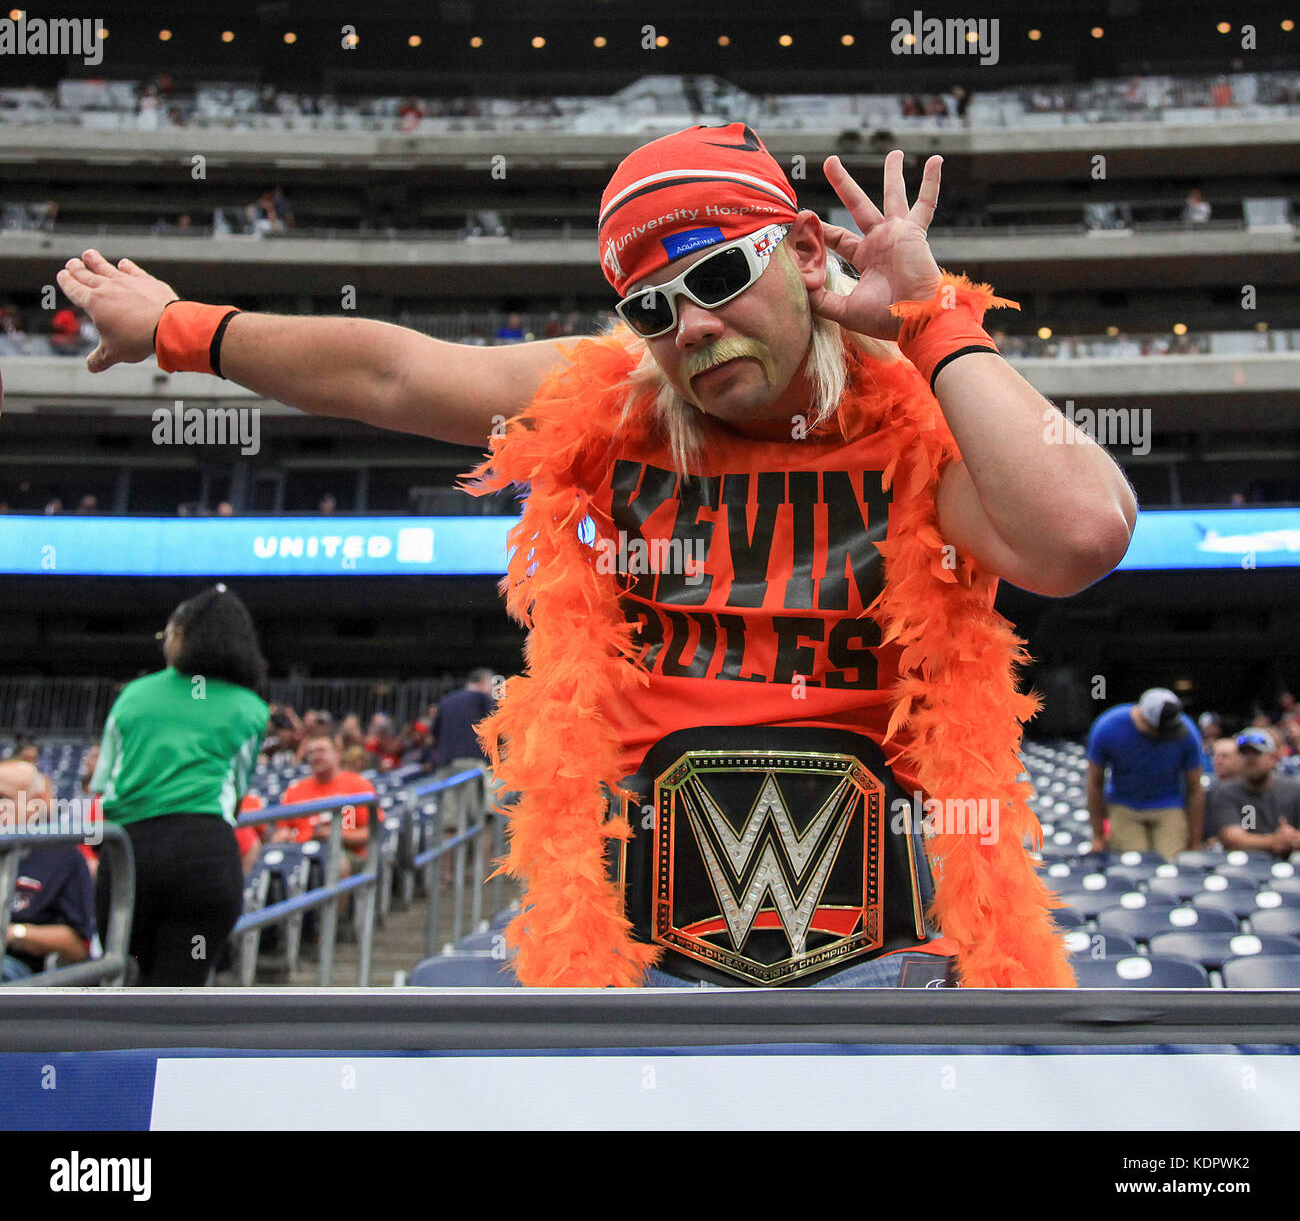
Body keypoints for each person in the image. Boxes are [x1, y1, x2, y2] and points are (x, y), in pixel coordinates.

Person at [56, 122, 1138, 988]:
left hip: (886, 958)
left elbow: (1080, 533)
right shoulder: (618, 403)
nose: (693, 328)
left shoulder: (921, 429)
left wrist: (929, 318)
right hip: (639, 957)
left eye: (716, 276)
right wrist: (176, 328)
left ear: (807, 252)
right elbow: (395, 375)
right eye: (654, 308)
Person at [89, 584, 269, 985]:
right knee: (179, 991)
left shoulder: (134, 695)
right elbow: (236, 795)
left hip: (128, 854)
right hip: (204, 858)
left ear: (182, 634)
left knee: (124, 981)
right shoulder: (252, 708)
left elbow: (101, 789)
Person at [1, 760, 95, 982]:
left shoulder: (63, 857)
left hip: (17, 968)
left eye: (3, 798)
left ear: (34, 805)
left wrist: (14, 933)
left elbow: (78, 947)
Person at [1086, 688, 1205, 860]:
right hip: (1124, 804)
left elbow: (1195, 787)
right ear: (1144, 720)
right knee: (1135, 861)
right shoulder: (1108, 727)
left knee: (1170, 863)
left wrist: (1195, 842)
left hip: (1168, 803)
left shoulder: (1187, 732)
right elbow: (1095, 783)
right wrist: (1098, 835)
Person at [274, 736, 379, 876]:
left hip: (346, 852)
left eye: (322, 751)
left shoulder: (358, 785)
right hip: (301, 852)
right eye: (311, 752)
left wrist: (335, 835)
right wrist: (282, 836)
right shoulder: (295, 790)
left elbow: (372, 833)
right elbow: (282, 830)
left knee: (337, 863)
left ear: (337, 753)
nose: (317, 756)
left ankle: (335, 898)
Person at [1205, 730, 1300, 857]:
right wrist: (1274, 841)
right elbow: (1234, 839)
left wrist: (1293, 837)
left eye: (1256, 754)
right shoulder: (1226, 791)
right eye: (1244, 754)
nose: (1250, 760)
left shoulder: (1294, 789)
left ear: (1272, 758)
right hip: (1245, 863)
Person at [430, 669, 496, 774]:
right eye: (491, 685)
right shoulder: (482, 698)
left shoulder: (445, 701)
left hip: (445, 763)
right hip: (472, 763)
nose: (493, 690)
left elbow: (434, 736)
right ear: (483, 682)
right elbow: (498, 726)